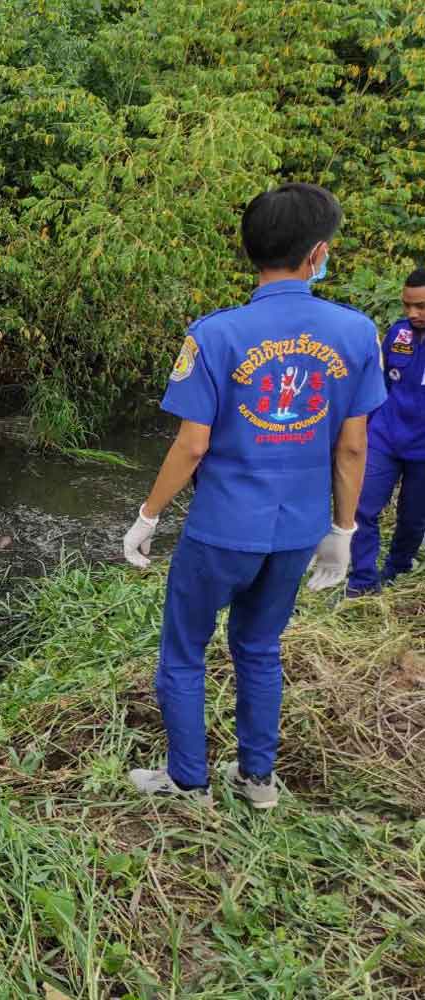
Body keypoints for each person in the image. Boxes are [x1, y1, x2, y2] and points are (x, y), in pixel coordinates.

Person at [121, 183, 385, 809]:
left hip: (220, 530)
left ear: (250, 251)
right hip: (298, 529)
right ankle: (257, 780)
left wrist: (148, 516)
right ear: (318, 252)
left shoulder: (216, 336)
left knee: (184, 653)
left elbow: (191, 447)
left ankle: (189, 781)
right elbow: (351, 448)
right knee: (260, 648)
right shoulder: (356, 332)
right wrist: (342, 533)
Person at [348, 268, 425, 594]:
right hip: (385, 436)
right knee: (360, 508)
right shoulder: (399, 335)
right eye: (407, 305)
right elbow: (377, 386)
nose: (412, 313)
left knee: (412, 519)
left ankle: (396, 569)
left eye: (420, 306)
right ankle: (363, 583)